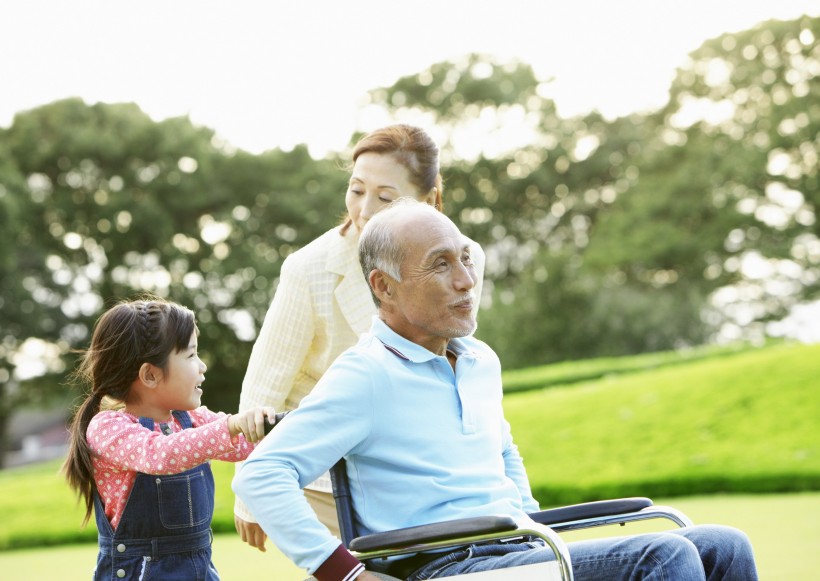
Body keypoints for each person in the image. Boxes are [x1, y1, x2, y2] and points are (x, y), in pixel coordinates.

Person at [232, 199, 759, 581]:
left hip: (513, 551)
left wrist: (532, 527)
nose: (466, 279)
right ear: (383, 287)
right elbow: (262, 474)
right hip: (440, 566)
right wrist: (345, 576)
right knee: (664, 557)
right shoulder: (366, 374)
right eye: (441, 264)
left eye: (464, 258)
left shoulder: (480, 360)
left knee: (723, 545)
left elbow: (503, 451)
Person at [233, 124, 486, 550]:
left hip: (414, 461)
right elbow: (264, 386)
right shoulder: (308, 268)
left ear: (427, 200)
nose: (365, 210)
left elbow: (455, 360)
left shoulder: (466, 256)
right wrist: (249, 496)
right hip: (325, 464)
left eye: (386, 198)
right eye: (356, 190)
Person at [62, 297, 279, 581]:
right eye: (190, 356)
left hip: (200, 572)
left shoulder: (191, 420)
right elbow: (161, 454)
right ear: (150, 375)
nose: (202, 366)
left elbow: (245, 444)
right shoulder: (108, 427)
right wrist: (232, 425)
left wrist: (273, 427)